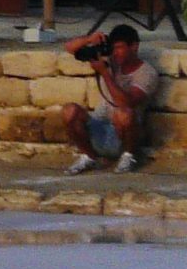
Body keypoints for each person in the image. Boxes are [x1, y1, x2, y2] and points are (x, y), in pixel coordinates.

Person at [62, 23, 159, 174]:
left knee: (123, 113)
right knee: (69, 110)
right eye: (113, 48)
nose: (115, 53)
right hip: (99, 125)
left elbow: (125, 103)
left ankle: (128, 157)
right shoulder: (109, 59)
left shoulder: (147, 73)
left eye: (119, 48)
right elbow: (69, 47)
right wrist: (89, 39)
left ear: (134, 47)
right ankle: (89, 156)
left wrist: (105, 73)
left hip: (124, 135)